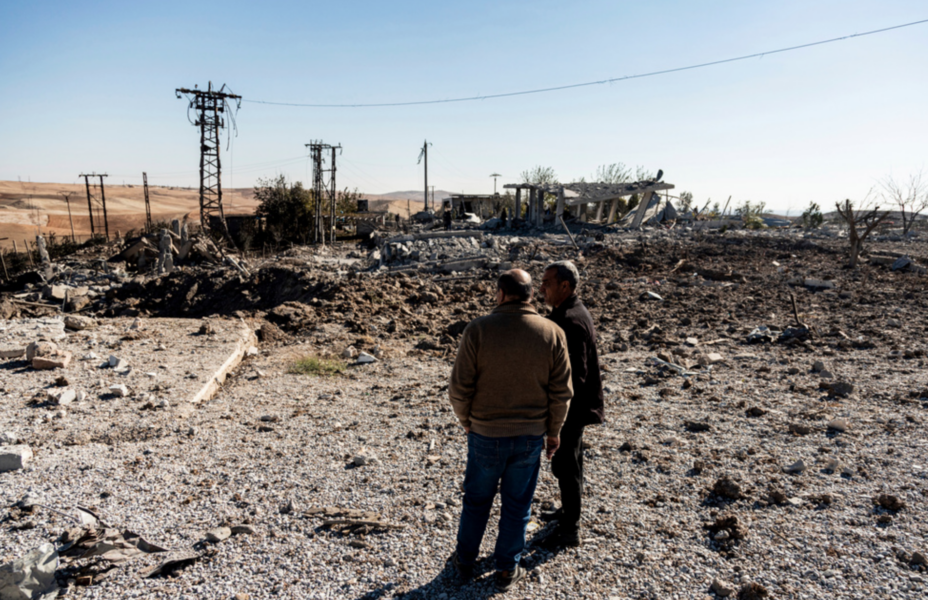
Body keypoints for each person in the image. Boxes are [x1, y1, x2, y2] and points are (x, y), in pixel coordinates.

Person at [448, 269, 573, 592]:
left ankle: (464, 560)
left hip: (485, 433)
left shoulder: (478, 330)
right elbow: (561, 392)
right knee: (518, 506)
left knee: (477, 501)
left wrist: (466, 420)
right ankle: (506, 569)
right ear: (531, 294)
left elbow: (459, 387)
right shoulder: (552, 332)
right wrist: (553, 431)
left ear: (501, 294)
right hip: (530, 436)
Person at [537, 260, 605, 549]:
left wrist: (558, 414)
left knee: (567, 466)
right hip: (572, 407)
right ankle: (568, 512)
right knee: (570, 463)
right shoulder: (569, 312)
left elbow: (575, 375)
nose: (542, 288)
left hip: (570, 409)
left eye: (547, 283)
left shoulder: (570, 320)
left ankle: (570, 529)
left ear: (565, 286)